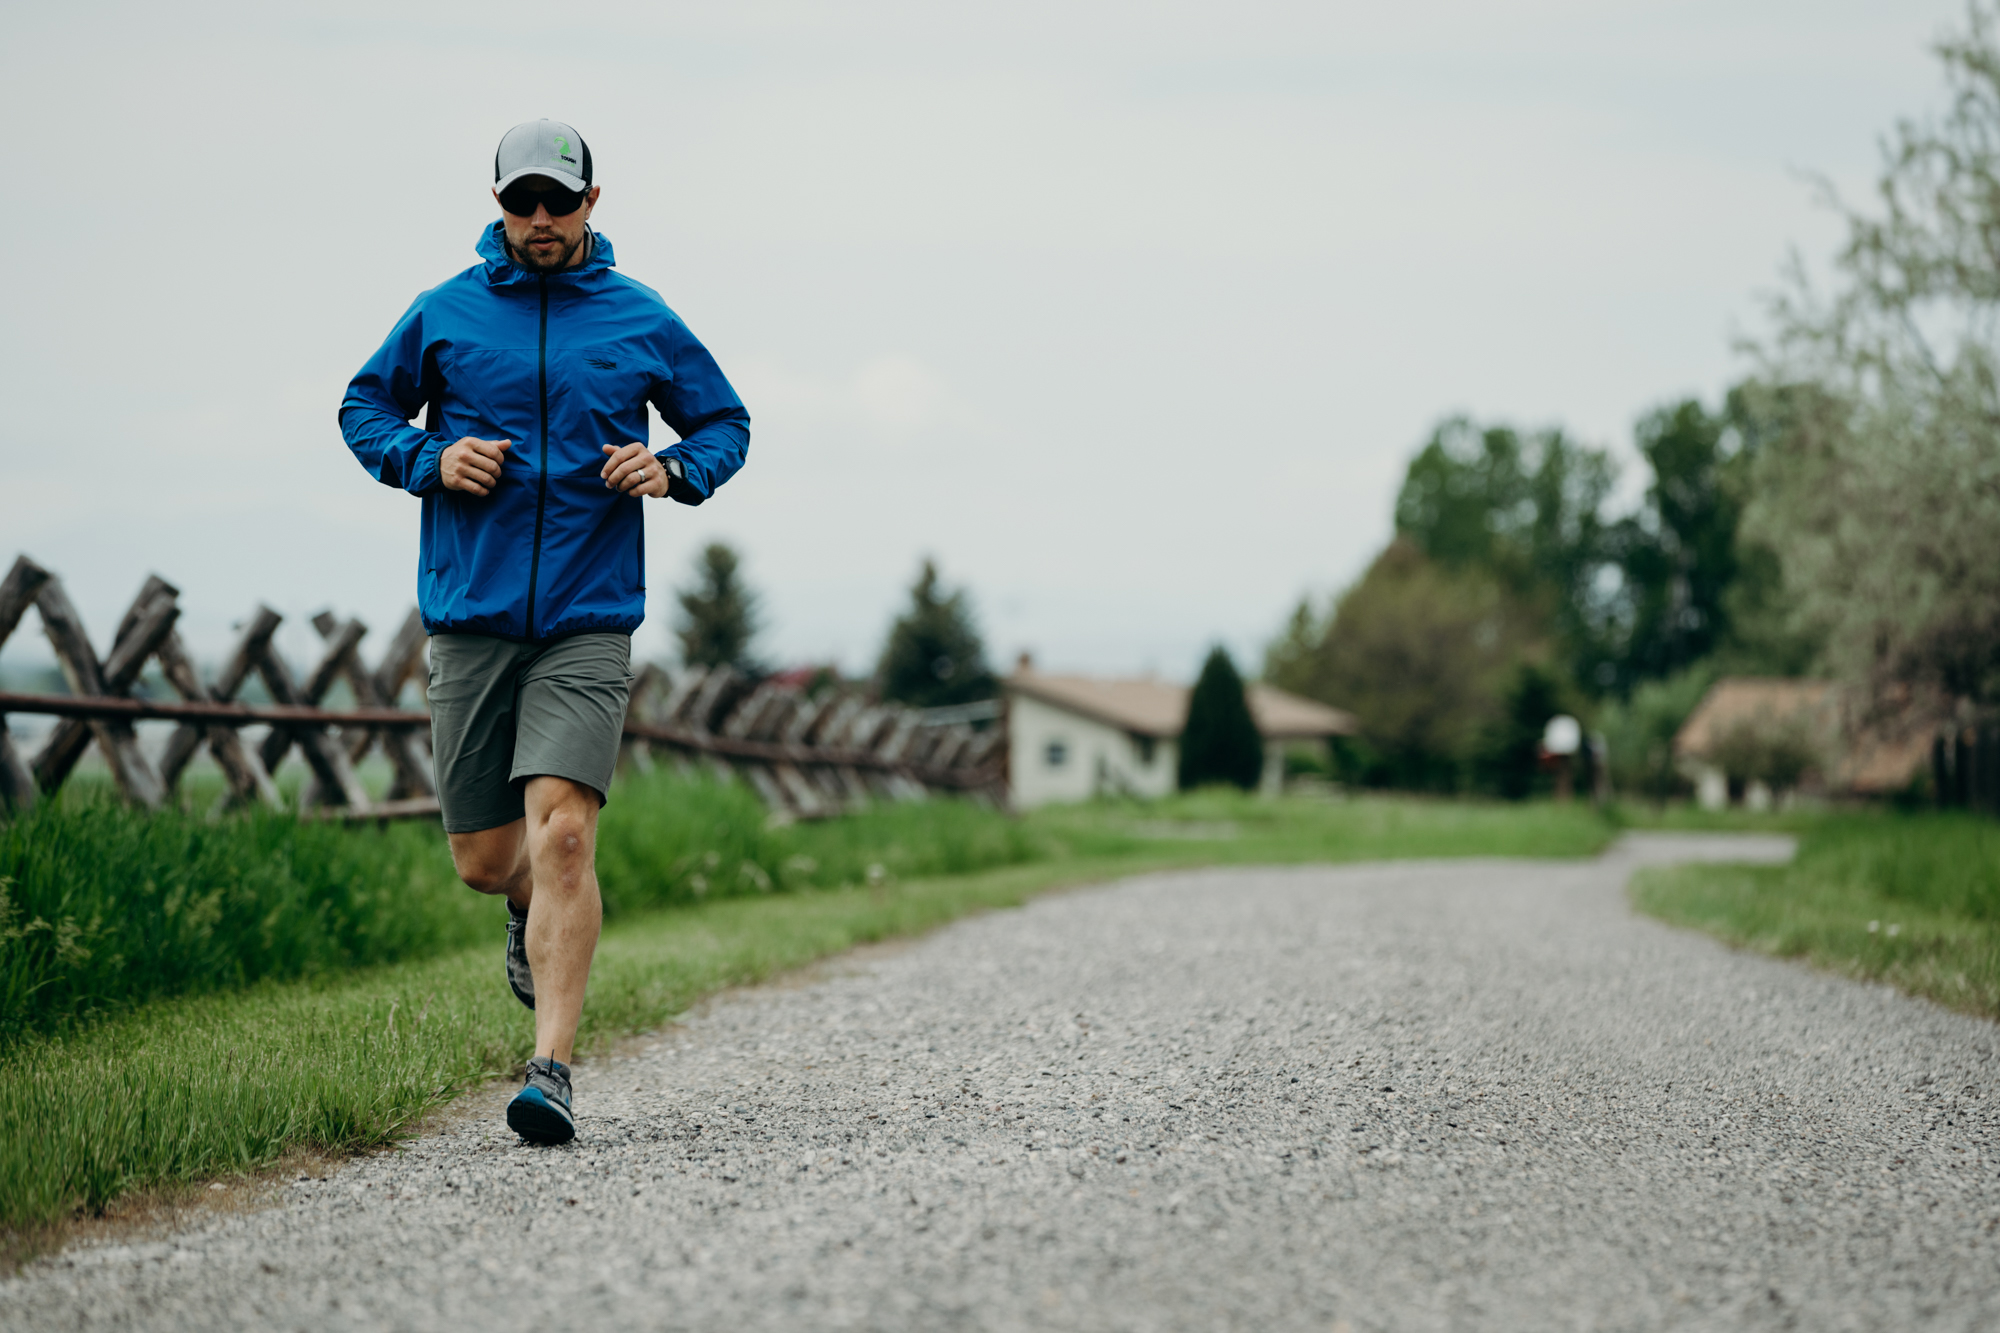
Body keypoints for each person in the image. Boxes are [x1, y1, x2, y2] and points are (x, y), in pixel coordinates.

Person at [339, 119, 750, 1144]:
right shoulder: (443, 314)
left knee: (563, 832)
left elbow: (724, 423)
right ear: (497, 208)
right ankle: (522, 911)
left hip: (587, 616)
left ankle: (552, 1069)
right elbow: (362, 407)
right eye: (520, 203)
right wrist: (427, 458)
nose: (538, 220)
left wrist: (671, 468)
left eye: (556, 202)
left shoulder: (639, 318)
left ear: (590, 204)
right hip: (471, 619)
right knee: (489, 859)